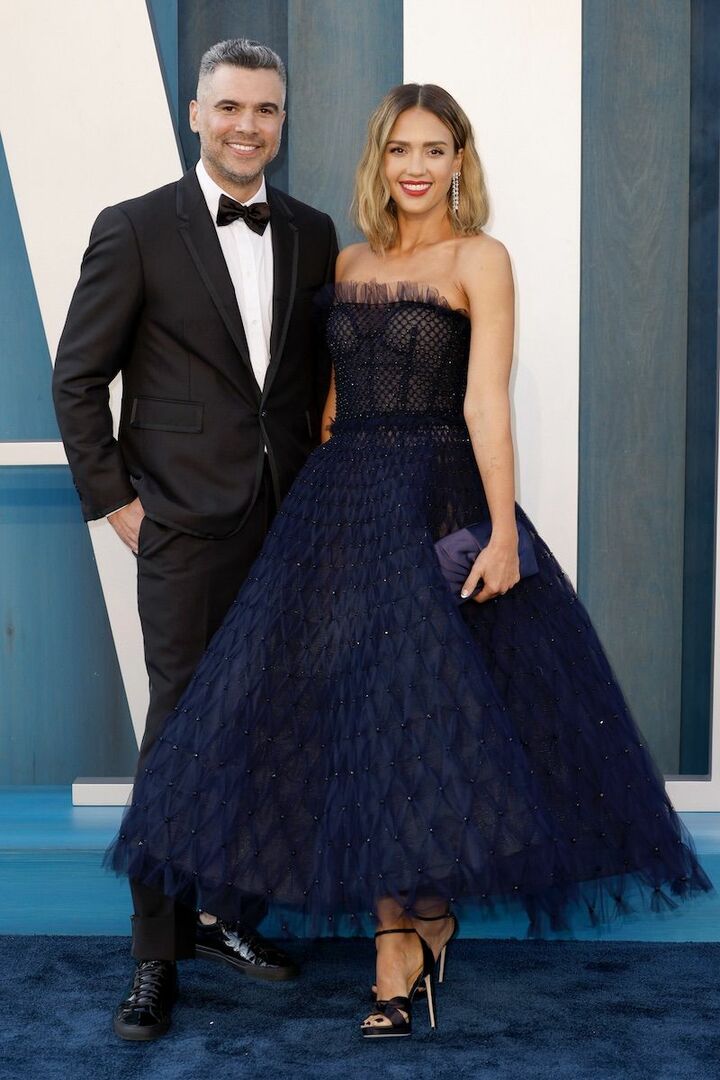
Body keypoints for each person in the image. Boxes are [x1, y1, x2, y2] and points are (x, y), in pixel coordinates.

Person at [104, 82, 712, 1040]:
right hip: (343, 507)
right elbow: (328, 408)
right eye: (399, 150)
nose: (416, 167)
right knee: (355, 713)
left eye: (434, 149)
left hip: (438, 500)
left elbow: (484, 402)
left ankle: (405, 939)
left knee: (420, 713)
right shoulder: (345, 260)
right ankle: (408, 926)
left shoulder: (481, 259)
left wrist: (502, 532)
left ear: (460, 161)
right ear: (378, 161)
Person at [52, 38, 338, 1040]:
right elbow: (78, 378)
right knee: (179, 735)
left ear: (282, 119)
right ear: (195, 113)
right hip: (181, 525)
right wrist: (117, 503)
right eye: (229, 107)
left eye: (266, 109)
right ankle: (155, 954)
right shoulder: (134, 227)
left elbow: (304, 387)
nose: (247, 126)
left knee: (266, 729)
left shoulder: (312, 231)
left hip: (287, 524)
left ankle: (225, 915)